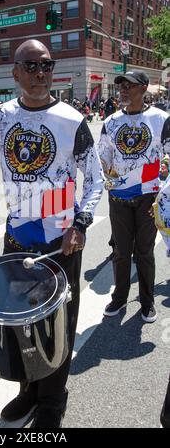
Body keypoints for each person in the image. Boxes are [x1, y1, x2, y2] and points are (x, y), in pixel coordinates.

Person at [0, 39, 104, 428]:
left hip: (60, 242)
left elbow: (95, 180)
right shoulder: (0, 115)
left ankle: (52, 401)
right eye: (32, 66)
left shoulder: (72, 119)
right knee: (17, 320)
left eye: (47, 65)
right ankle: (27, 391)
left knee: (59, 321)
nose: (41, 74)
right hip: (17, 238)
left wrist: (80, 224)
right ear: (16, 73)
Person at [98, 70, 170, 323]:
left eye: (130, 86)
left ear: (144, 88)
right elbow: (103, 153)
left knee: (144, 252)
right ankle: (119, 298)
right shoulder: (111, 121)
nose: (124, 90)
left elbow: (169, 155)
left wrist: (164, 173)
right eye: (121, 86)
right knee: (120, 251)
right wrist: (105, 167)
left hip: (148, 197)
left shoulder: (161, 119)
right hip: (118, 196)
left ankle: (147, 302)